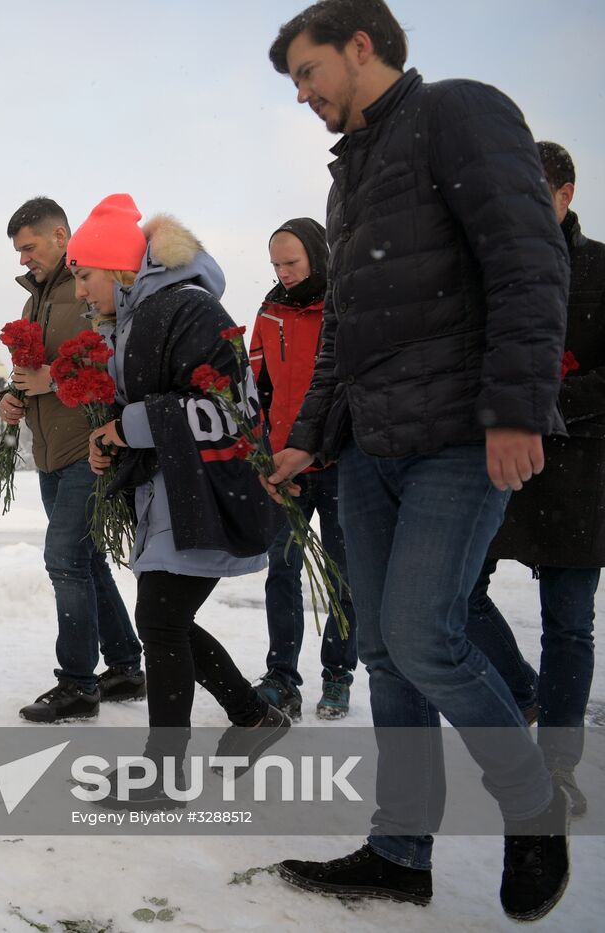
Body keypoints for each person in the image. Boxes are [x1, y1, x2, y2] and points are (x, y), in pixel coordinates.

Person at [263, 0, 572, 919]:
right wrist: (308, 433)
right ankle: (400, 850)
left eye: (309, 71)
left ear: (361, 46)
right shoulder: (348, 177)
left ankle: (533, 804)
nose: (303, 94)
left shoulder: (457, 112)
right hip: (369, 446)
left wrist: (516, 407)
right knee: (384, 651)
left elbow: (527, 260)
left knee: (425, 633)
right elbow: (343, 332)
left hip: (457, 434)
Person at [75, 195, 288, 808]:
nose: (81, 291)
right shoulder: (139, 316)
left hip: (207, 491)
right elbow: (148, 409)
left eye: (86, 275)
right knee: (164, 621)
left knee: (161, 621)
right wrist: (110, 440)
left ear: (119, 268)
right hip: (172, 491)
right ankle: (252, 717)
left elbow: (223, 408)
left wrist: (126, 428)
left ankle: (166, 772)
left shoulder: (185, 307)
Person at [466, 140, 603, 819]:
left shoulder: (601, 268)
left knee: (569, 624)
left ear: (565, 194)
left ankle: (558, 766)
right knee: (460, 594)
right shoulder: (490, 266)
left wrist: (544, 400)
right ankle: (523, 692)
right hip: (498, 463)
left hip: (580, 469)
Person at [0, 197, 144, 723]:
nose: (23, 259)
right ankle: (125, 665)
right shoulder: (33, 301)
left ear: (61, 237)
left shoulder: (90, 287)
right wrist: (9, 396)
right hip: (49, 452)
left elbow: (112, 360)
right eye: (18, 251)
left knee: (64, 559)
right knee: (86, 560)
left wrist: (53, 381)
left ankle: (78, 685)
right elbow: (28, 372)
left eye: (29, 247)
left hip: (88, 446)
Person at [248, 218, 357, 721]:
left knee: (341, 575)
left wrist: (323, 444)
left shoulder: (342, 306)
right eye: (276, 264)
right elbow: (256, 390)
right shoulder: (268, 314)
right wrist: (262, 449)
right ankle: (281, 677)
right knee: (283, 572)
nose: (283, 272)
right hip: (282, 467)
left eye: (291, 262)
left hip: (338, 462)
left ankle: (338, 674)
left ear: (318, 254)